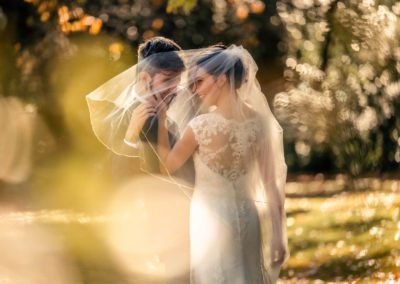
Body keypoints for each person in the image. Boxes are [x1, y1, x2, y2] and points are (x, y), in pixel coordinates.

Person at [156, 44, 290, 283]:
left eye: (200, 81)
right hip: (248, 219)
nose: (195, 90)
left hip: (208, 221)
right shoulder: (260, 123)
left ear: (221, 79)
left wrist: (162, 120)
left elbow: (166, 166)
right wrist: (279, 235)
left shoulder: (199, 127)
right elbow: (272, 184)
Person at [86, 37, 199, 283]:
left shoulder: (165, 115)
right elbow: (119, 175)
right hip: (154, 221)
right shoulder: (133, 116)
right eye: (167, 80)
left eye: (177, 81)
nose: (174, 89)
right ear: (145, 79)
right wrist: (130, 136)